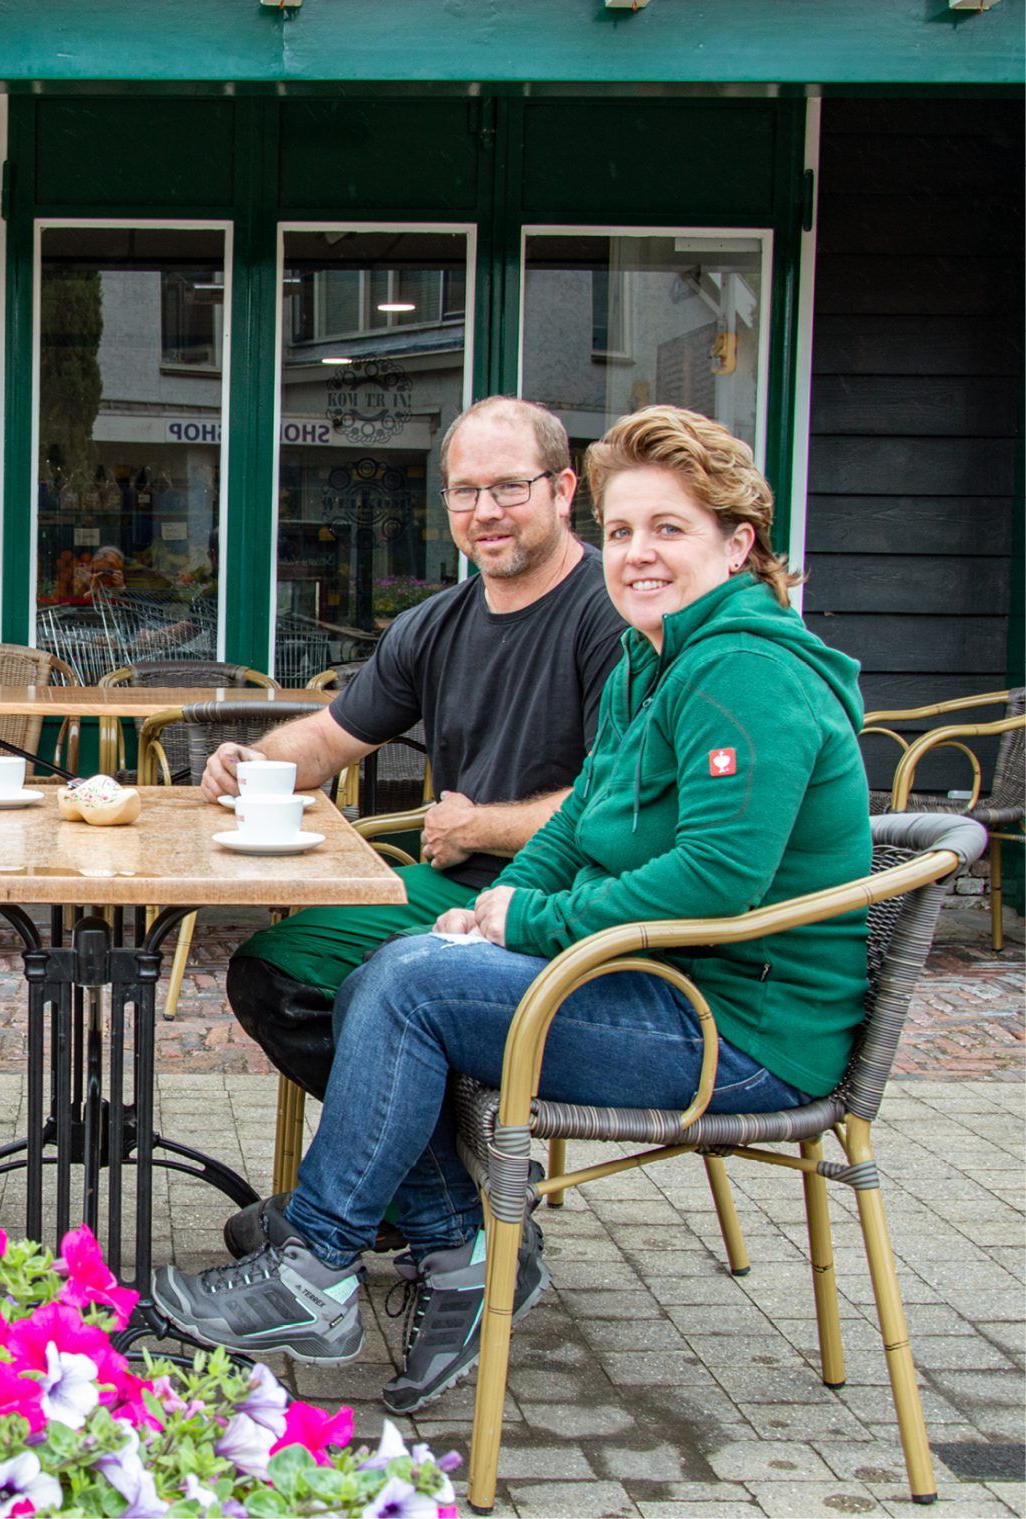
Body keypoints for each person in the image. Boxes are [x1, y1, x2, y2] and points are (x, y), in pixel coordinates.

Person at [156, 404, 871, 1416]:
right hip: (657, 980)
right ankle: (456, 1251)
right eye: (626, 532)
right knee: (395, 965)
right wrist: (498, 905)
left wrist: (521, 922)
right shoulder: (655, 656)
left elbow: (717, 877)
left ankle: (319, 1264)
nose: (637, 554)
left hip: (738, 1030)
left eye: (668, 528)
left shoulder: (745, 665)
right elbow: (581, 821)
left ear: (737, 541)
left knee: (403, 981)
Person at [208, 397, 625, 1252]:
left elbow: (618, 803)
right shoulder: (436, 624)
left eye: (509, 487)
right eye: (464, 492)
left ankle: (397, 1213)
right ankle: (435, 1205)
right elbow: (330, 735)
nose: (486, 512)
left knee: (380, 985)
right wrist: (256, 763)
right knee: (273, 973)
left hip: (567, 906)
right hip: (445, 889)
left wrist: (484, 827)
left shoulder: (609, 615)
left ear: (564, 489)